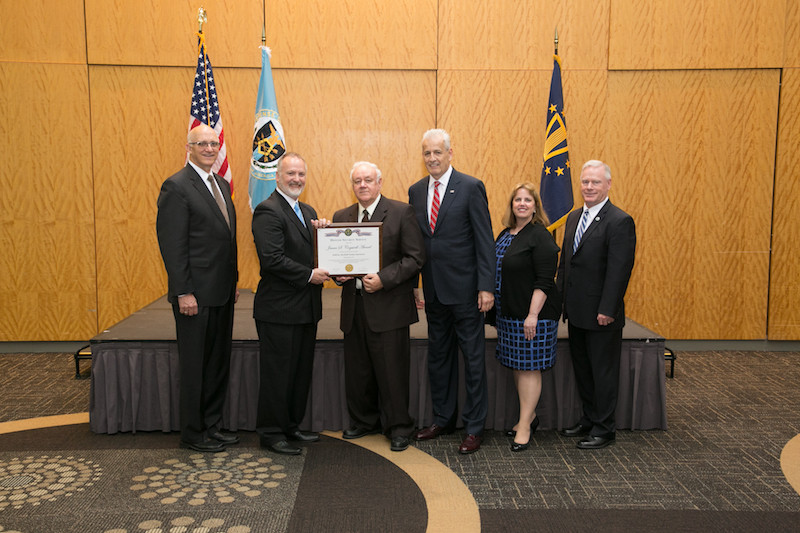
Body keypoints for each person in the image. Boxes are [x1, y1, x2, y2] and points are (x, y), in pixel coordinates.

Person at [408, 129, 495, 454]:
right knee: (438, 359)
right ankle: (443, 419)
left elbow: (484, 240)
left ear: (450, 153)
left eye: (437, 153)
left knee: (473, 361)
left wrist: (486, 286)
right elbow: (416, 243)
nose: (432, 158)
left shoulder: (471, 187)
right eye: (427, 153)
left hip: (468, 292)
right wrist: (415, 285)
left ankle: (474, 428)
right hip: (433, 292)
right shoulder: (416, 191)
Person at [331, 161, 426, 452]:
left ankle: (399, 427)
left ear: (380, 183)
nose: (363, 185)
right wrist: (339, 274)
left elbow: (414, 258)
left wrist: (384, 279)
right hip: (355, 307)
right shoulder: (342, 216)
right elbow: (336, 258)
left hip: (389, 308)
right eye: (357, 181)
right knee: (358, 371)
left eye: (368, 180)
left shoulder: (400, 213)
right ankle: (364, 421)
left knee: (392, 372)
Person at [156, 124, 239, 453]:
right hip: (194, 296)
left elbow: (225, 240)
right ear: (188, 147)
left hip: (221, 292)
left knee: (217, 363)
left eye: (212, 143)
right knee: (194, 366)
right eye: (201, 143)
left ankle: (212, 425)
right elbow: (172, 246)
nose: (208, 148)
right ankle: (193, 432)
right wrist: (183, 291)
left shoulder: (219, 183)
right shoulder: (176, 187)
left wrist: (232, 282)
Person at [252, 152, 330, 455]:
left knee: (299, 371)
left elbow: (310, 252)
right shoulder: (268, 211)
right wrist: (310, 274)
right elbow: (272, 260)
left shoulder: (306, 209)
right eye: (290, 174)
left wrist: (322, 235)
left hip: (306, 308)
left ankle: (291, 425)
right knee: (277, 373)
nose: (296, 179)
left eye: (301, 174)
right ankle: (271, 432)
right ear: (277, 177)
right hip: (279, 310)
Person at [556, 160, 636, 450]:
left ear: (608, 185)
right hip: (576, 312)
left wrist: (607, 309)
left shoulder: (619, 221)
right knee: (584, 371)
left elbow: (619, 271)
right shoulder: (575, 217)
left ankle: (605, 429)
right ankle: (589, 419)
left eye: (595, 182)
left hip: (602, 315)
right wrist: (561, 302)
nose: (589, 187)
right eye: (585, 182)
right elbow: (566, 264)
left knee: (603, 373)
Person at [492, 183, 561, 452]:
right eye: (517, 200)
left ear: (535, 206)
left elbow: (545, 280)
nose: (522, 204)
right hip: (509, 314)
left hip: (534, 317)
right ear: (512, 205)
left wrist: (532, 315)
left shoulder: (540, 236)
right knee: (519, 366)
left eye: (527, 200)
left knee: (530, 367)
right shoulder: (505, 234)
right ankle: (527, 416)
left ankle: (523, 426)